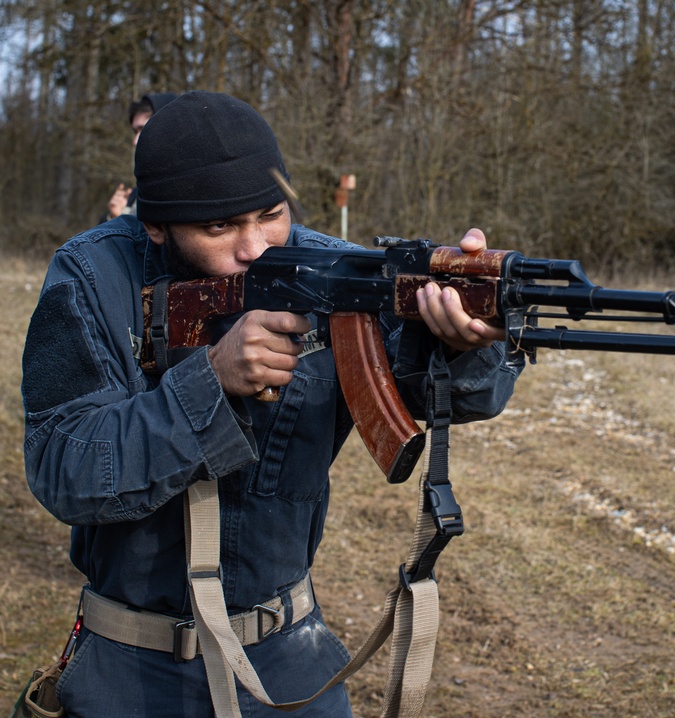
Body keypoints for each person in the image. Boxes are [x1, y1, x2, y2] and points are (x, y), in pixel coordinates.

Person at [22, 91, 521, 716]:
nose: (256, 246)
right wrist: (209, 380)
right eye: (219, 227)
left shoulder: (329, 268)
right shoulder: (92, 277)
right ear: (156, 224)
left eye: (270, 214)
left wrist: (461, 341)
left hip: (289, 658)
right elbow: (61, 469)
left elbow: (469, 395)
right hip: (133, 668)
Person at [101, 92, 178, 222]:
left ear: (168, 128)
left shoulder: (188, 191)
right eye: (135, 131)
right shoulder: (136, 193)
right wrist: (115, 219)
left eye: (143, 129)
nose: (135, 141)